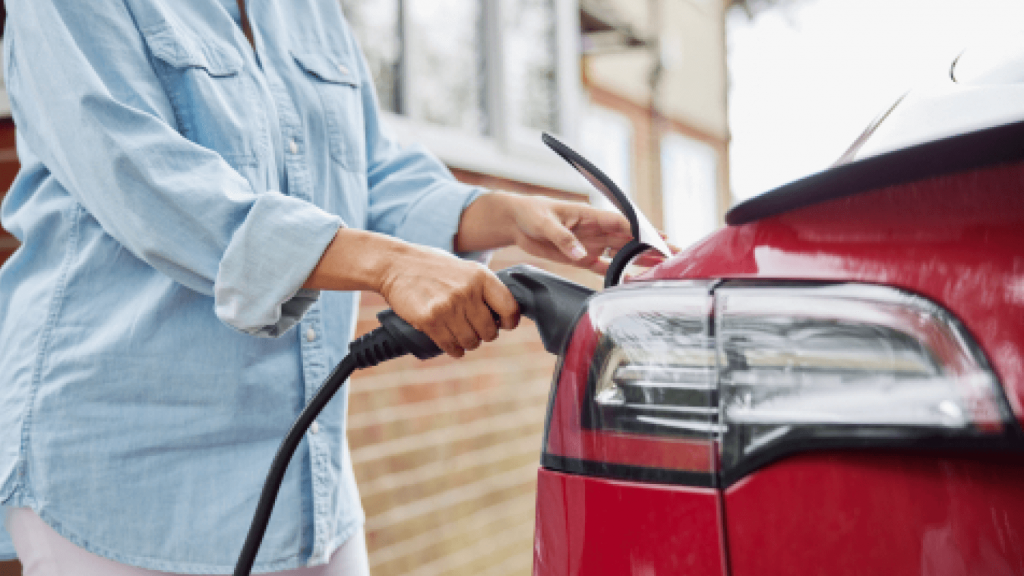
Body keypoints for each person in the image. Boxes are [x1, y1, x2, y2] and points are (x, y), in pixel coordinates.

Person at [0, 0, 637, 575]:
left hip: (306, 473)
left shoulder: (308, 10)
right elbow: (146, 182)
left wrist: (506, 213)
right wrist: (389, 265)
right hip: (127, 473)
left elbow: (368, 167)